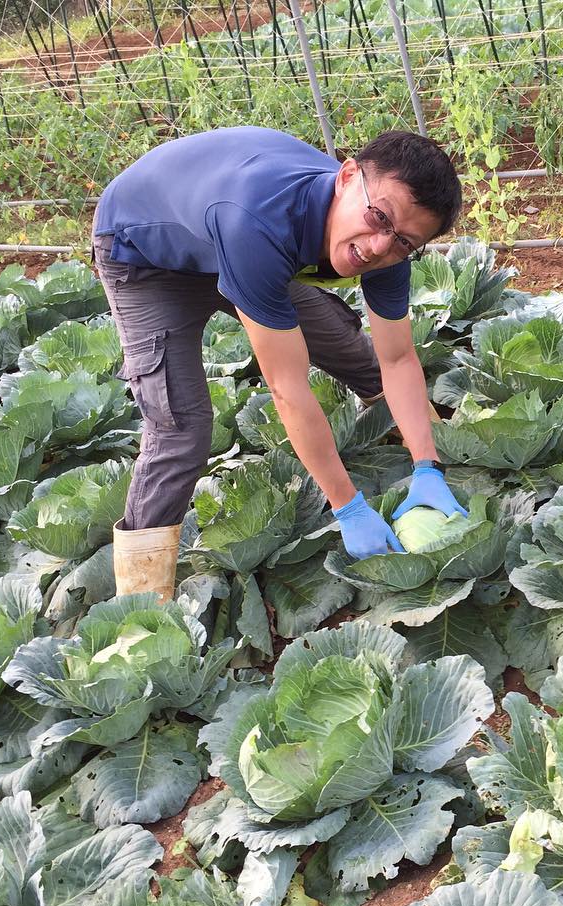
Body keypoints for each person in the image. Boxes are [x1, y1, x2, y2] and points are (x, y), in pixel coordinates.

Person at [92, 125, 467, 601]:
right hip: (144, 252)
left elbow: (397, 357)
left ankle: (434, 471)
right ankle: (141, 601)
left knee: (354, 354)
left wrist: (428, 467)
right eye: (378, 218)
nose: (379, 247)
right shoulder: (259, 223)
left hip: (232, 232)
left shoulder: (390, 242)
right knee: (181, 427)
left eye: (404, 242)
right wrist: (348, 507)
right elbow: (288, 390)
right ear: (347, 176)